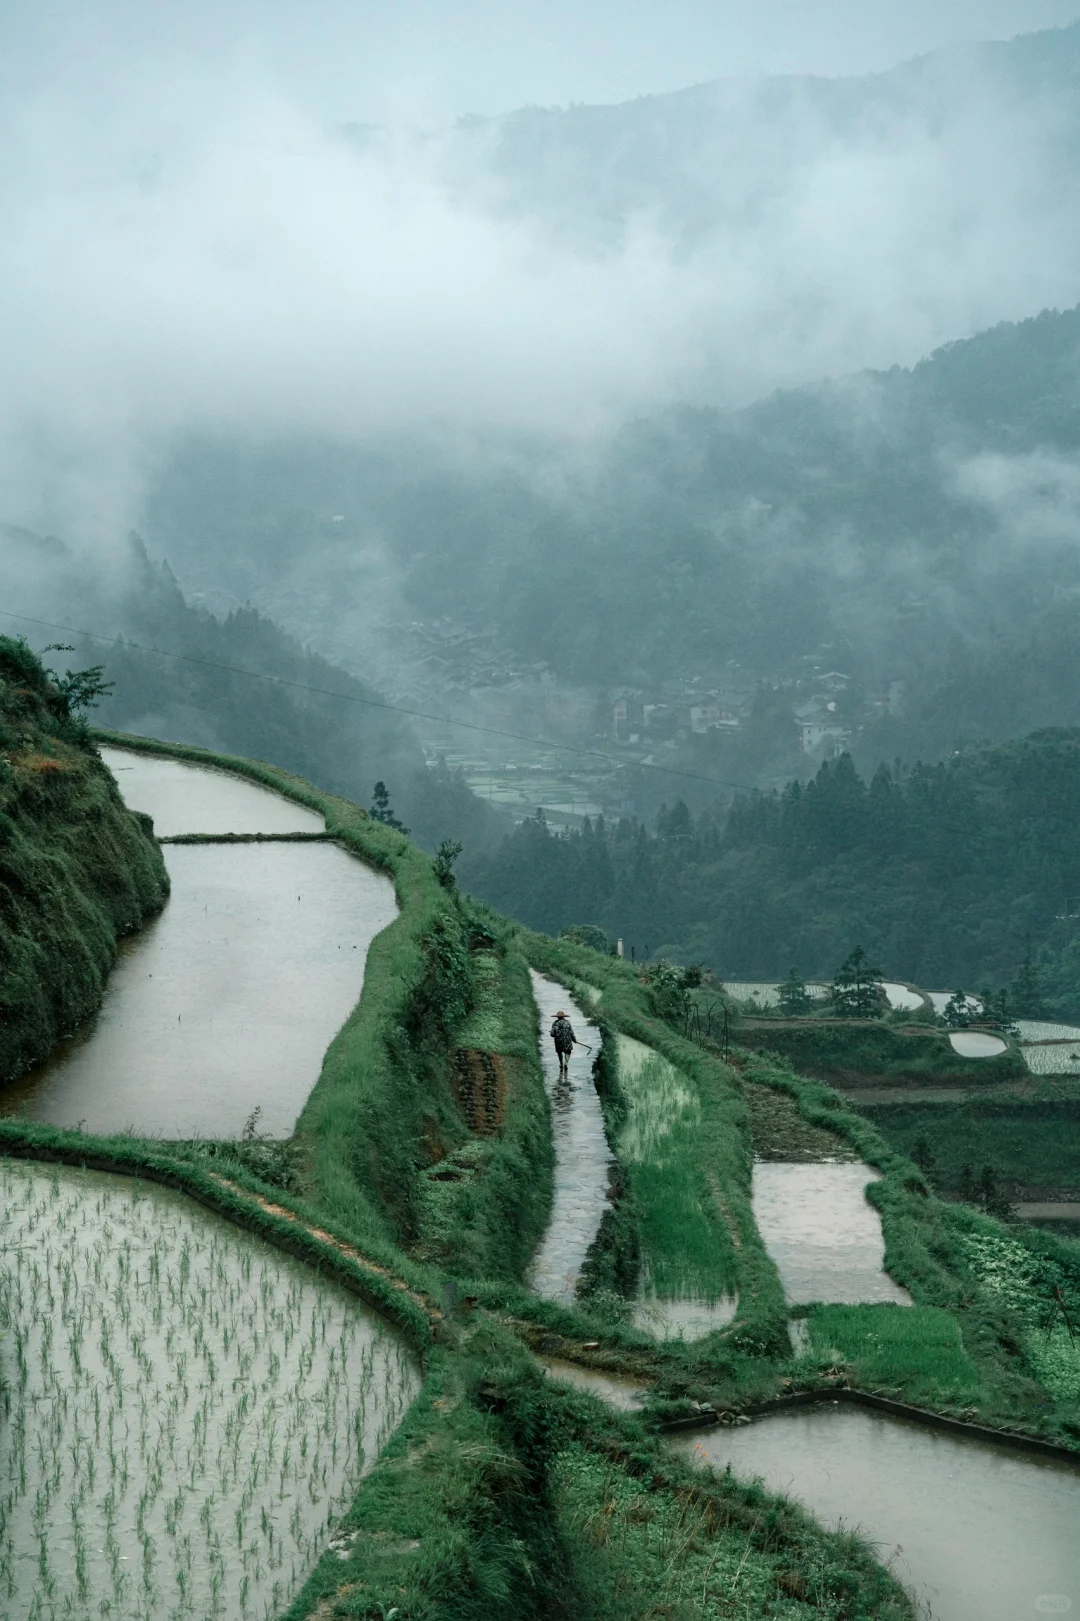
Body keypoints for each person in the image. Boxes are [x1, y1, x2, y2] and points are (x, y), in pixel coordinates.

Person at [550, 1009, 576, 1076]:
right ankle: (566, 1063)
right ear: (564, 1017)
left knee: (559, 1052)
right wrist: (574, 1040)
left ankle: (561, 1064)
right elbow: (571, 1032)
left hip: (558, 1041)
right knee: (568, 1052)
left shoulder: (555, 1023)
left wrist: (554, 1033)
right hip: (567, 1041)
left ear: (557, 1017)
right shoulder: (568, 1022)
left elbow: (552, 1034)